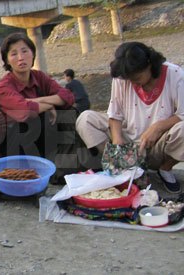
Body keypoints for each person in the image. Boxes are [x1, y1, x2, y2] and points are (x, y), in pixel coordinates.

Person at [76, 42, 184, 193]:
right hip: (130, 144)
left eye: (137, 78)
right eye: (129, 79)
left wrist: (158, 127)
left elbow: (182, 114)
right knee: (85, 119)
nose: (133, 83)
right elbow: (114, 113)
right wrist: (117, 140)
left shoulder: (175, 74)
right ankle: (128, 167)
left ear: (149, 65)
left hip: (160, 145)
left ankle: (165, 169)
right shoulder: (122, 77)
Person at [0, 32, 87, 181]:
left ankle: (64, 165)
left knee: (69, 111)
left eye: (24, 51)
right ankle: (53, 168)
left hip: (39, 138)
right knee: (35, 117)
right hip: (12, 145)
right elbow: (23, 111)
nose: (21, 58)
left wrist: (42, 101)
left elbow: (68, 96)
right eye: (14, 54)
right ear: (7, 60)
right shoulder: (4, 86)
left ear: (32, 54)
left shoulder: (39, 77)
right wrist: (47, 105)